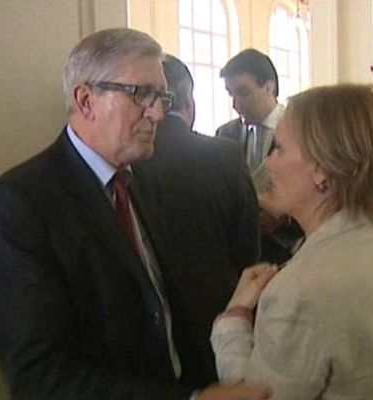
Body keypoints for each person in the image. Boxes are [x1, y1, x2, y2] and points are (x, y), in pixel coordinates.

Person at [0, 28, 270, 400]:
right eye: (140, 94)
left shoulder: (147, 179)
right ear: (85, 101)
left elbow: (168, 309)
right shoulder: (18, 204)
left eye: (162, 96)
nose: (159, 113)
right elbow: (40, 376)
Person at [211, 84, 373, 399]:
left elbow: (255, 396)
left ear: (323, 170)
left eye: (279, 148)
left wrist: (234, 321)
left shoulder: (297, 288)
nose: (268, 164)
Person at [134, 54, 260, 388]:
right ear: (188, 100)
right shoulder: (226, 156)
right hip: (220, 320)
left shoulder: (123, 161)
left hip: (145, 334)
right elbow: (249, 252)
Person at [217, 48, 301, 265]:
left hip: (290, 252)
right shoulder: (225, 134)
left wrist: (283, 218)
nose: (236, 104)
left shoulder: (301, 131)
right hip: (238, 256)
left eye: (243, 93)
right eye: (231, 94)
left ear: (269, 87)